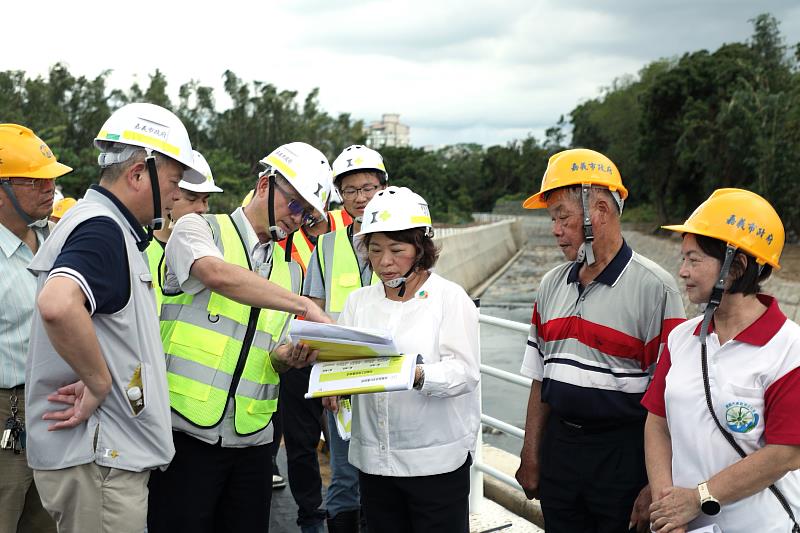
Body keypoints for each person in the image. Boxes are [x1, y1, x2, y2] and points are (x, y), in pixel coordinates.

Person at [24, 102, 206, 532]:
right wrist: (99, 381)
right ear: (138, 173)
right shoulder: (102, 228)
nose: (178, 194)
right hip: (101, 461)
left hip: (102, 456)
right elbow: (59, 304)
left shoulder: (104, 225)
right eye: (174, 181)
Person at [147, 141, 334, 533]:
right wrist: (304, 306)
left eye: (308, 213)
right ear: (265, 184)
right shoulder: (200, 229)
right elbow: (215, 274)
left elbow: (272, 354)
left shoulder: (289, 270)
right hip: (186, 430)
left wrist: (290, 356)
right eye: (295, 204)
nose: (298, 219)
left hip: (252, 441)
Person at [514, 148, 686, 533]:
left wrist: (657, 483)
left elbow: (673, 397)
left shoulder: (655, 288)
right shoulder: (550, 285)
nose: (555, 229)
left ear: (600, 212)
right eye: (552, 218)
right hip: (561, 450)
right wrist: (531, 454)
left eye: (562, 217)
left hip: (623, 455)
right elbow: (539, 377)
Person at [643, 188, 800, 533]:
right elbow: (657, 423)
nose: (681, 271)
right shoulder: (680, 339)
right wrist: (667, 507)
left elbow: (786, 452)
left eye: (694, 259)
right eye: (682, 257)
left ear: (737, 266)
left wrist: (697, 498)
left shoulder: (790, 349)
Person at [334, 185, 480, 533]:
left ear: (421, 249)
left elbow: (464, 373)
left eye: (397, 249)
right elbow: (340, 361)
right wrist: (333, 387)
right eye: (375, 249)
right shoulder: (359, 302)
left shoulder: (449, 298)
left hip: (436, 466)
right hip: (374, 463)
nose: (384, 262)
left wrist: (413, 374)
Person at [307, 144, 388, 532]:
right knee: (344, 478)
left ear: (383, 188)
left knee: (386, 479)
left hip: (388, 378)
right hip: (342, 381)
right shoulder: (325, 247)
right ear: (339, 193)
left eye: (368, 188)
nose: (360, 198)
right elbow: (314, 317)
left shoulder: (402, 246)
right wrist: (329, 380)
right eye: (351, 190)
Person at [0, 123, 71, 533]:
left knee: (47, 522)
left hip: (54, 409)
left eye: (51, 179)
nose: (50, 188)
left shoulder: (59, 239)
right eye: (36, 180)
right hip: (6, 410)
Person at [145, 150, 223, 312]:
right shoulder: (135, 242)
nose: (202, 208)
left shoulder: (210, 247)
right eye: (192, 199)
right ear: (170, 192)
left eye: (205, 200)